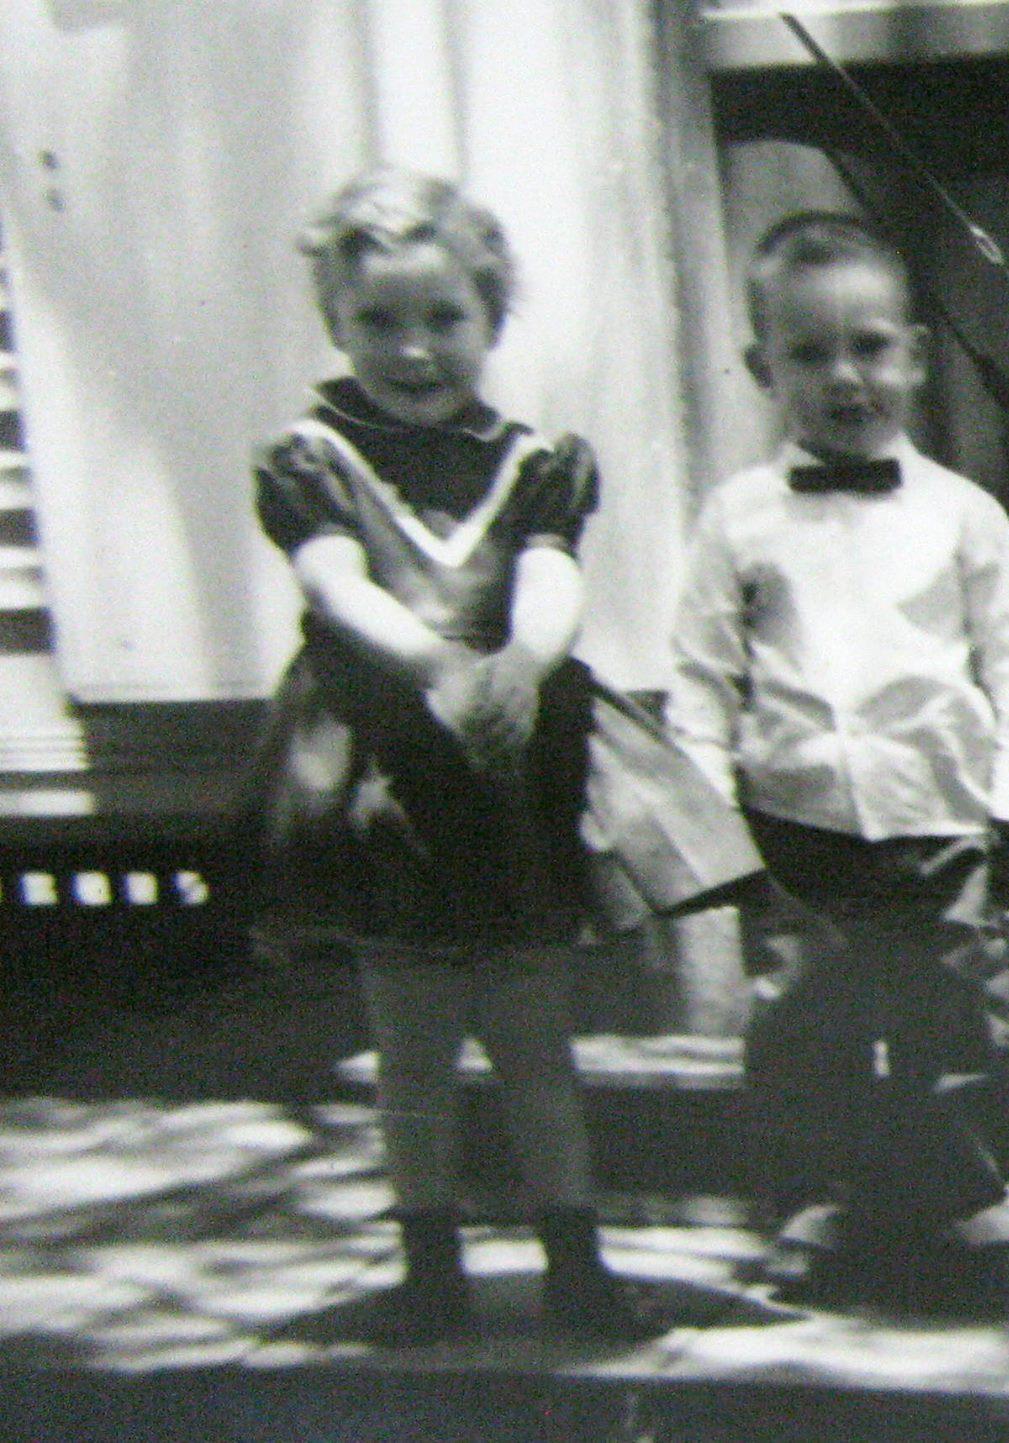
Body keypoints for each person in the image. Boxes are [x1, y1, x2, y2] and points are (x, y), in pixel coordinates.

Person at [247, 170, 656, 1344]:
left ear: (491, 320)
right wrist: (435, 664)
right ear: (335, 321)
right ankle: (433, 1272)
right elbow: (332, 581)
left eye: (444, 319)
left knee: (535, 1047)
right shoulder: (314, 458)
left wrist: (527, 657)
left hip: (507, 775)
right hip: (391, 786)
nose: (414, 349)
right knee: (413, 1055)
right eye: (379, 321)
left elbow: (549, 572)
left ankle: (573, 1263)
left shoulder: (532, 463)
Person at [669, 212, 1009, 1307]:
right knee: (806, 1023)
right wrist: (704, 820)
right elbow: (702, 678)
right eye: (809, 353)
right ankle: (818, 1199)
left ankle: (981, 1199)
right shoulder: (737, 519)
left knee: (960, 1018)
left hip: (942, 820)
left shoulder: (965, 516)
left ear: (918, 356)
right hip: (794, 825)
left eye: (871, 347)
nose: (846, 377)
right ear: (762, 368)